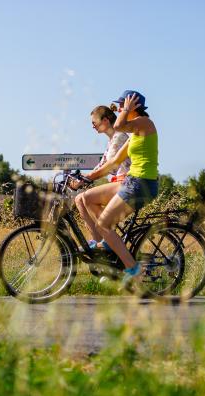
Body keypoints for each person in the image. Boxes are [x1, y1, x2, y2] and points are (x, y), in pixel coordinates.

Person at [82, 90, 159, 284]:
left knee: (103, 225)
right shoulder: (134, 133)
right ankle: (110, 246)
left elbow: (118, 125)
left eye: (122, 105)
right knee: (88, 200)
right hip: (134, 182)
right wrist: (88, 177)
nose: (119, 108)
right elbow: (114, 161)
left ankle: (133, 270)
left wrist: (126, 109)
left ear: (133, 106)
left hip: (140, 183)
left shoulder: (144, 123)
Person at [73, 105, 130, 249]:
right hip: (118, 183)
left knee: (86, 197)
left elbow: (110, 166)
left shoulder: (119, 137)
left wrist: (89, 178)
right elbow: (102, 163)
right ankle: (98, 241)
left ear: (105, 120)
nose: (93, 127)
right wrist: (82, 179)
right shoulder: (112, 140)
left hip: (125, 182)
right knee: (79, 199)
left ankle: (108, 239)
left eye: (94, 122)